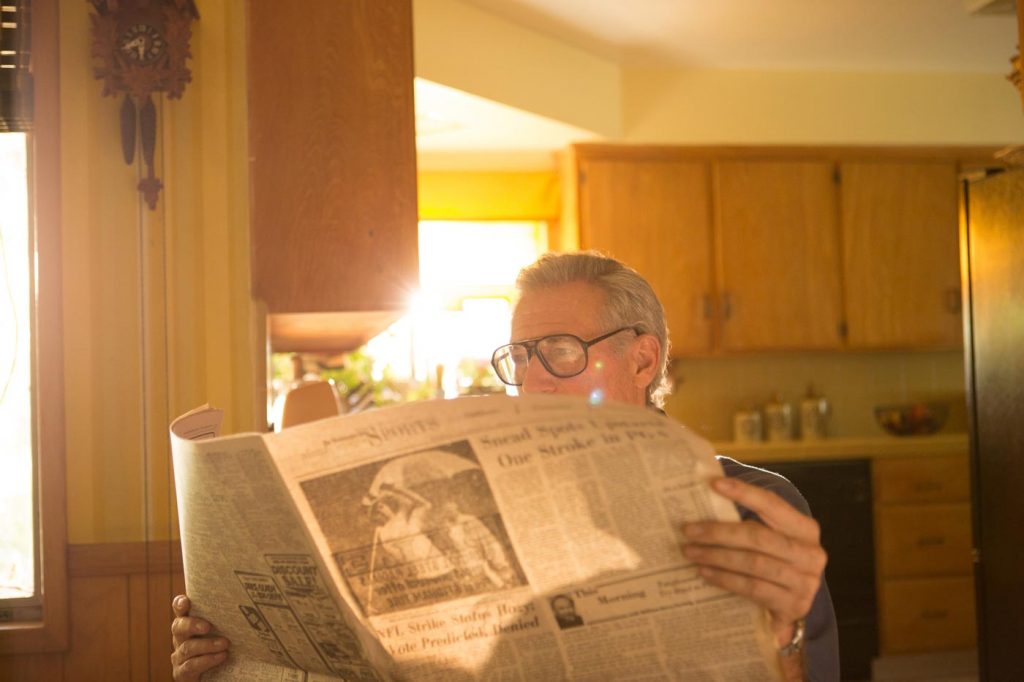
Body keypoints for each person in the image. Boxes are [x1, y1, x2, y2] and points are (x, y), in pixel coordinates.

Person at [172, 251, 839, 681]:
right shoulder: (491, 504)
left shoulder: (752, 502)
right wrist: (238, 658)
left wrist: (782, 637)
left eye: (561, 351)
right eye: (521, 356)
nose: (535, 381)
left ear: (643, 360)